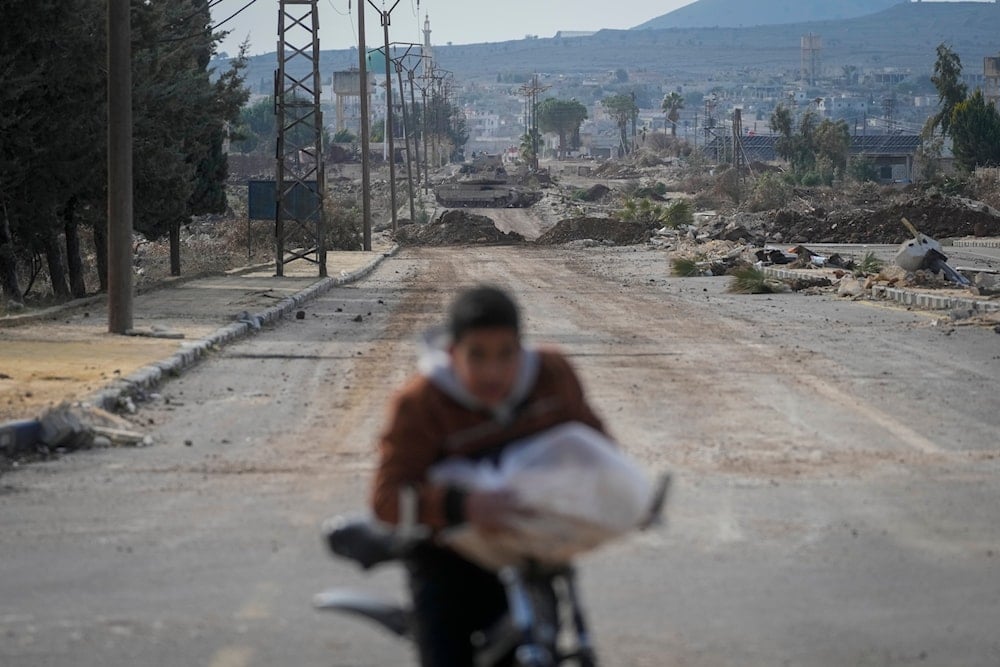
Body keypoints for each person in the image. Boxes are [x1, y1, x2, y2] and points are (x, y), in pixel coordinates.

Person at [370, 284, 607, 667]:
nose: (492, 371)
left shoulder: (551, 376)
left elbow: (597, 449)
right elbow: (386, 499)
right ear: (452, 353)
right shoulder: (420, 403)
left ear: (521, 348)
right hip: (448, 559)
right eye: (476, 355)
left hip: (532, 552)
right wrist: (463, 505)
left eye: (505, 354)